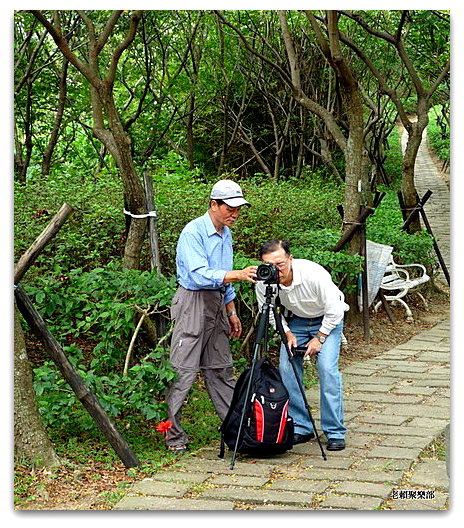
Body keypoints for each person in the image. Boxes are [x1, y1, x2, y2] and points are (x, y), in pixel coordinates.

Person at [165, 180, 257, 453]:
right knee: (182, 371)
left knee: (221, 369)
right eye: (230, 208)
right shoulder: (193, 232)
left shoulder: (225, 232)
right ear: (213, 205)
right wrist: (237, 275)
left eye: (238, 209)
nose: (235, 214)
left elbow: (222, 274)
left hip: (217, 302)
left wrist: (231, 310)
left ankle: (237, 431)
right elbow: (197, 274)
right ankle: (173, 436)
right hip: (193, 303)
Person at [255, 239, 349, 451]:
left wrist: (320, 338)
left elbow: (335, 309)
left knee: (327, 369)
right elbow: (268, 310)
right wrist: (286, 332)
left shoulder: (313, 274)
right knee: (287, 368)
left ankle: (334, 431)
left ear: (290, 258)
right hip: (296, 321)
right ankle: (301, 426)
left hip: (328, 320)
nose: (275, 270)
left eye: (280, 264)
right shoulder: (264, 280)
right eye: (269, 265)